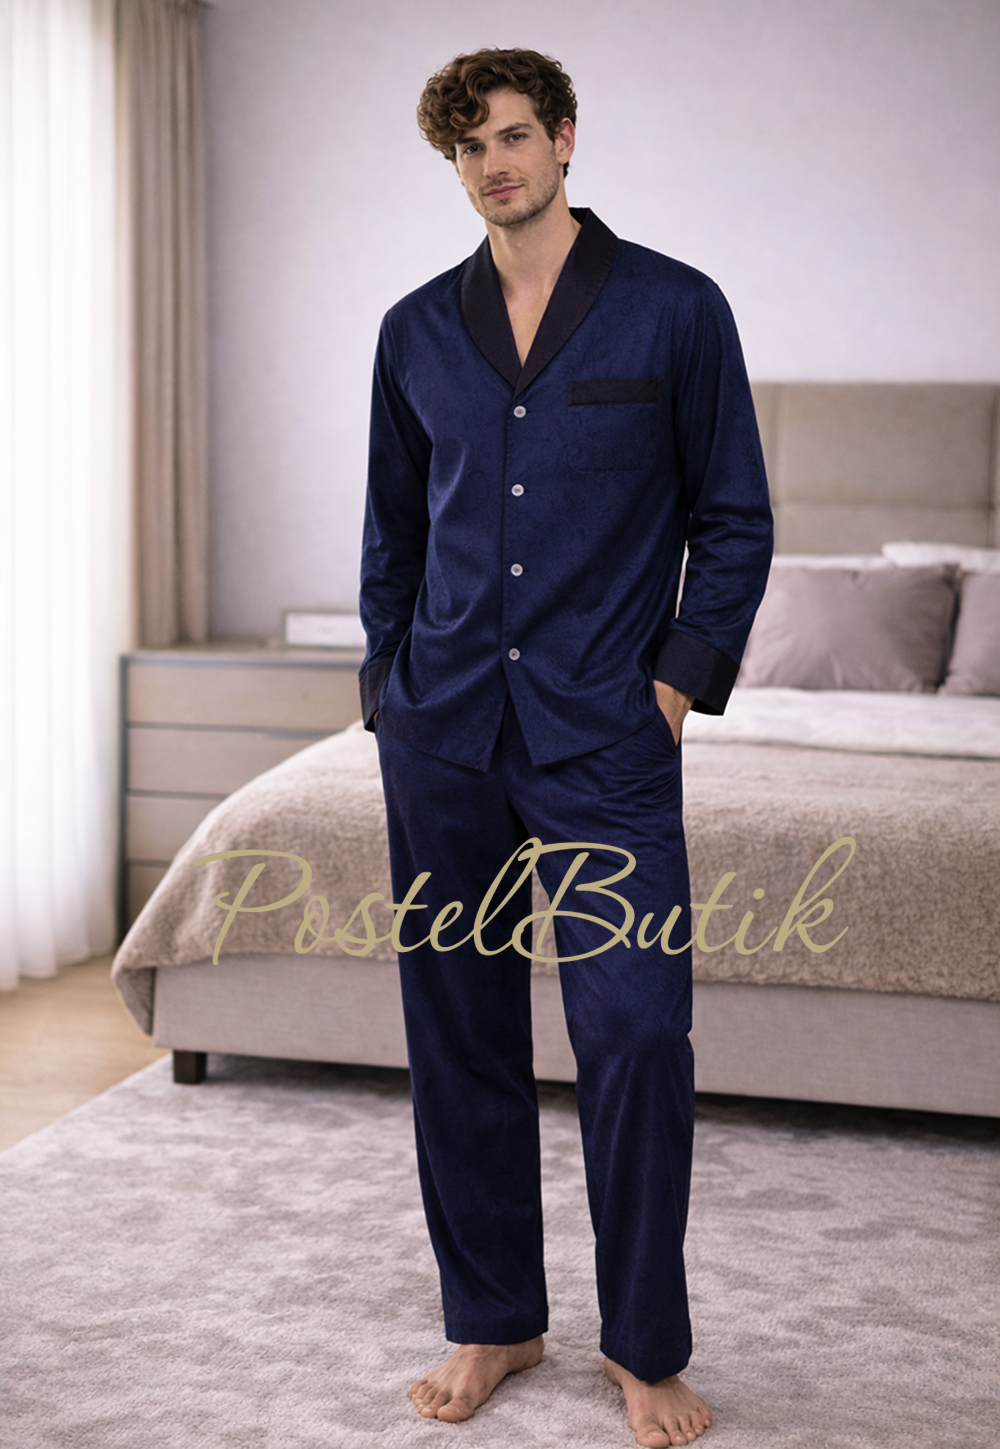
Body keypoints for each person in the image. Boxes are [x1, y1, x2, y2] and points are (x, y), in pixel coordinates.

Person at [358, 47, 772, 1449]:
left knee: (638, 1033)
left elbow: (735, 518)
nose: (495, 164)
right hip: (445, 734)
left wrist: (675, 688)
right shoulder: (416, 331)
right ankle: (495, 1320)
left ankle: (642, 1345)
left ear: (567, 140)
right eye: (469, 147)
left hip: (606, 739)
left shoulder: (675, 310)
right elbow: (393, 533)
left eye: (515, 136)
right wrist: (389, 685)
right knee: (457, 1033)